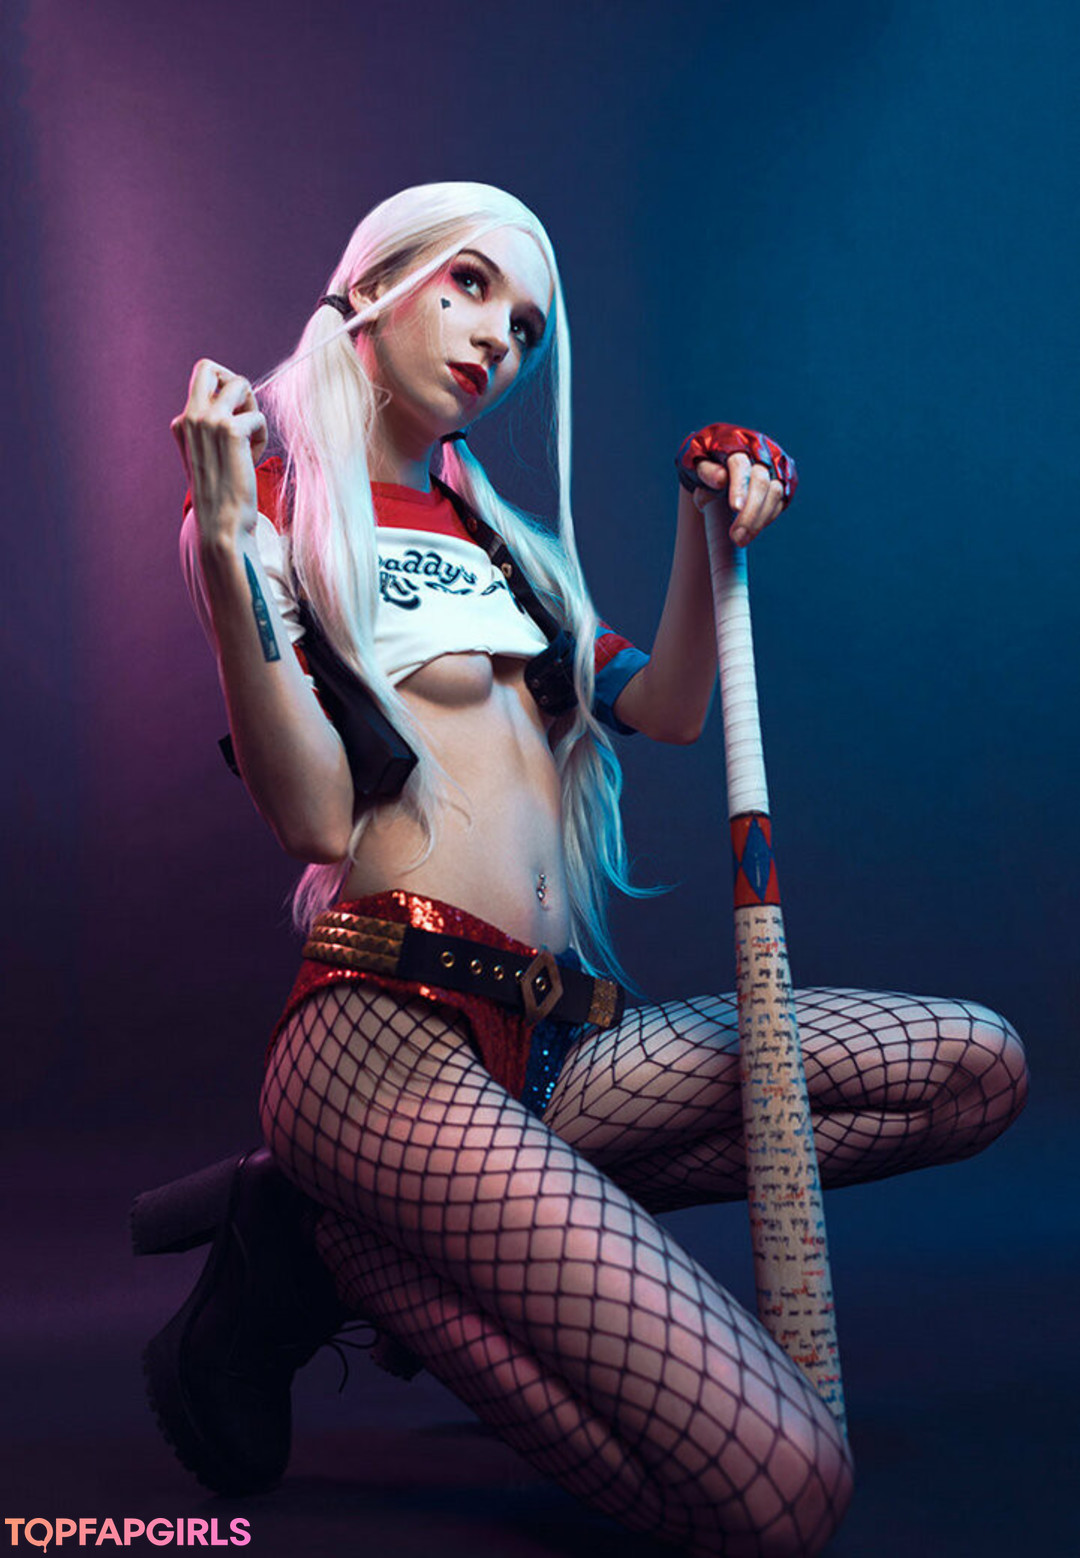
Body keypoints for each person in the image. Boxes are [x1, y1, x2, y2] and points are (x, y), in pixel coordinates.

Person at [138, 182, 1028, 1558]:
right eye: (470, 285)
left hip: (554, 1047)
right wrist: (229, 546)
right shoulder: (269, 500)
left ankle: (341, 1246)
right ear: (371, 286)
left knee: (973, 1069)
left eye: (528, 327)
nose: (500, 338)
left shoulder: (500, 542)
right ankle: (337, 1245)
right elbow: (313, 819)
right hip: (387, 1054)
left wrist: (703, 525)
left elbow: (664, 705)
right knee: (787, 1495)